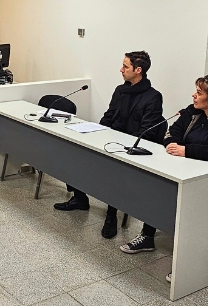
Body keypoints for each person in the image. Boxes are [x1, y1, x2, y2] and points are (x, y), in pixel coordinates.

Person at [120, 75, 208, 256]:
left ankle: (195, 252)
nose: (193, 95)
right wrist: (172, 145)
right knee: (158, 183)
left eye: (199, 93)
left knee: (184, 195)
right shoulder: (193, 112)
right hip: (187, 168)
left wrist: (187, 150)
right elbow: (172, 132)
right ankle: (147, 236)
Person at [53, 51, 165, 239]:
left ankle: (111, 215)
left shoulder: (153, 96)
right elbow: (109, 115)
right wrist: (96, 133)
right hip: (111, 142)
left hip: (130, 150)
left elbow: (146, 133)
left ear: (138, 70)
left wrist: (121, 144)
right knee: (74, 153)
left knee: (114, 171)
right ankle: (80, 198)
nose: (121, 70)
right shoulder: (120, 90)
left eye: (125, 66)